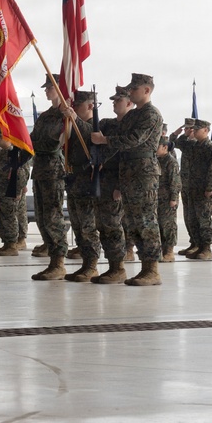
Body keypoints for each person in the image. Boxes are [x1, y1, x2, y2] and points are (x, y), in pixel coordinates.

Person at [91, 73, 163, 286]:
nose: (130, 92)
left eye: (134, 89)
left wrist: (105, 140)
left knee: (146, 221)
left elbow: (134, 139)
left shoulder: (151, 114)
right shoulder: (132, 116)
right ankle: (141, 267)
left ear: (146, 90)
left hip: (143, 173)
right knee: (132, 222)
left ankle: (152, 270)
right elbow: (117, 134)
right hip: (128, 172)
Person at [91, 85, 133, 284]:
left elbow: (127, 159)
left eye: (118, 100)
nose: (115, 103)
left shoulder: (131, 128)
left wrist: (119, 186)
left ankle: (118, 267)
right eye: (114, 100)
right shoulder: (107, 124)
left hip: (117, 180)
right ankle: (112, 266)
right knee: (103, 224)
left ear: (129, 103)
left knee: (114, 225)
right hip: (102, 180)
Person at [30, 75, 69, 280]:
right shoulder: (45, 116)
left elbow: (55, 143)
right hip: (40, 169)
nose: (46, 90)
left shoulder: (65, 115)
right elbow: (32, 140)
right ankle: (52, 257)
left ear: (60, 88)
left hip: (54, 170)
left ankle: (59, 262)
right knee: (42, 216)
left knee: (53, 216)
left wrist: (35, 145)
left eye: (50, 87)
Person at [60, 90, 102, 280]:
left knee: (88, 226)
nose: (74, 108)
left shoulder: (97, 125)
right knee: (77, 225)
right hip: (74, 180)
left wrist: (75, 119)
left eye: (78, 105)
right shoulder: (73, 125)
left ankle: (92, 265)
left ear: (90, 106)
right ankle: (85, 262)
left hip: (88, 182)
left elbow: (92, 135)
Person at [183, 119, 212, 261]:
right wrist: (185, 134)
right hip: (193, 188)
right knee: (193, 219)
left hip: (205, 190)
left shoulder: (211, 147)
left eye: (196, 129)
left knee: (204, 220)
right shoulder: (194, 146)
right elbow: (180, 142)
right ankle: (198, 246)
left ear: (205, 130)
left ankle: (206, 248)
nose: (193, 132)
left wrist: (210, 187)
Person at [0, 130, 23, 257]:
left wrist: (17, 190)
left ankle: (12, 245)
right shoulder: (1, 152)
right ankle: (6, 243)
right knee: (2, 218)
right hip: (0, 190)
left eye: (0, 138)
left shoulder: (16, 152)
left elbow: (22, 174)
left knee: (10, 217)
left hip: (10, 190)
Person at [170, 117, 197, 255]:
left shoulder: (200, 144)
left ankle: (200, 244)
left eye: (190, 129)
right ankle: (193, 242)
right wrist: (177, 133)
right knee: (188, 216)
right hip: (186, 184)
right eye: (186, 128)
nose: (187, 131)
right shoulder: (186, 143)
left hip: (197, 185)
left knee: (198, 217)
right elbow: (172, 142)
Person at [156, 136, 182, 262]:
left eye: (157, 146)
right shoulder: (156, 160)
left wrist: (174, 198)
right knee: (158, 225)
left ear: (165, 147)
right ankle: (161, 250)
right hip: (156, 198)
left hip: (167, 198)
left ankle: (169, 251)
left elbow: (175, 182)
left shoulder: (171, 162)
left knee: (168, 225)